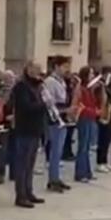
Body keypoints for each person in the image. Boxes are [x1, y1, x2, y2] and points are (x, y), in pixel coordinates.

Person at [11, 62, 47, 208]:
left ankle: (28, 191)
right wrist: (44, 105)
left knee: (30, 164)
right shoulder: (21, 87)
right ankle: (20, 195)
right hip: (24, 129)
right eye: (36, 69)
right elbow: (25, 107)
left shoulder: (37, 86)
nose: (40, 72)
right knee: (22, 164)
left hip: (35, 129)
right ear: (28, 70)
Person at [43, 56, 72, 193]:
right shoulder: (50, 81)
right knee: (55, 151)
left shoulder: (62, 81)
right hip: (54, 119)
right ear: (56, 67)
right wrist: (65, 110)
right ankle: (52, 180)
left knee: (58, 151)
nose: (67, 69)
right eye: (65, 66)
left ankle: (56, 177)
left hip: (63, 117)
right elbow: (50, 103)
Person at [72, 66, 100, 183]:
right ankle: (80, 173)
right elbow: (80, 106)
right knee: (82, 146)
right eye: (91, 73)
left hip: (91, 118)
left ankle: (87, 171)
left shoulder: (89, 88)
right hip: (84, 118)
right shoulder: (80, 89)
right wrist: (93, 111)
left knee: (88, 146)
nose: (93, 76)